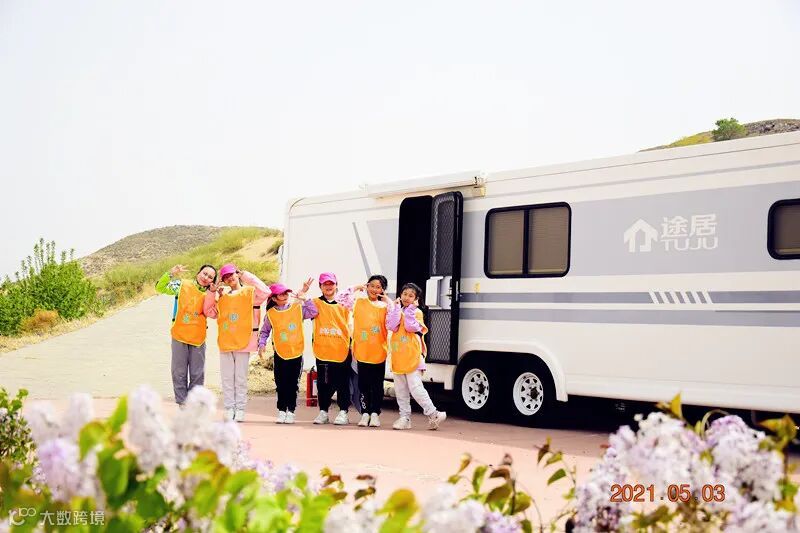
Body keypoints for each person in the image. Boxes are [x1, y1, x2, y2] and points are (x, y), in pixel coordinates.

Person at [205, 263, 270, 422]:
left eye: (232, 274)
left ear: (237, 274)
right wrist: (212, 293)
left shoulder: (250, 293)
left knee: (240, 378)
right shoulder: (222, 297)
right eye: (225, 277)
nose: (230, 278)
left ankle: (240, 409)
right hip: (226, 342)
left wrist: (245, 275)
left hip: (244, 341)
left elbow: (266, 292)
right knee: (227, 378)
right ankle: (229, 408)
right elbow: (209, 312)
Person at [155, 264, 218, 406]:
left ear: (212, 281)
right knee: (179, 372)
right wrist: (171, 273)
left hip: (198, 338)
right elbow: (160, 287)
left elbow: (214, 314)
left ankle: (194, 402)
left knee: (197, 373)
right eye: (204, 273)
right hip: (179, 335)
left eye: (210, 277)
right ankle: (182, 403)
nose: (206, 278)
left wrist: (214, 293)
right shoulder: (182, 285)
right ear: (198, 273)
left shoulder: (211, 294)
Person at [387, 282, 447, 430]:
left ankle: (433, 414)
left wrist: (411, 309)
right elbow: (392, 326)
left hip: (413, 356)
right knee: (400, 390)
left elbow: (410, 327)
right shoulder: (397, 310)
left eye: (411, 295)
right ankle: (404, 418)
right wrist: (396, 308)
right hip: (398, 357)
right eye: (404, 294)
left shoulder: (417, 312)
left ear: (416, 299)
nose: (406, 297)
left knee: (416, 388)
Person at [336, 275, 392, 428]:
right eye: (371, 286)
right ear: (367, 286)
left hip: (379, 352)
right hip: (362, 351)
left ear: (383, 290)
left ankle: (375, 414)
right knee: (363, 385)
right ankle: (365, 413)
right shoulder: (358, 302)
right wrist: (356, 287)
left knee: (377, 386)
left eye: (378, 287)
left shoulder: (385, 307)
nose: (374, 289)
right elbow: (340, 298)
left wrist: (388, 301)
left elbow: (394, 320)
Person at [257, 279, 315, 424]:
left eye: (286, 293)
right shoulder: (270, 314)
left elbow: (313, 312)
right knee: (281, 383)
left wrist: (305, 297)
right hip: (280, 353)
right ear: (274, 298)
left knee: (293, 384)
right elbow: (265, 331)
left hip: (296, 353)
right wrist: (262, 344)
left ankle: (291, 411)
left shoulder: (297, 308)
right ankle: (282, 410)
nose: (285, 296)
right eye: (281, 294)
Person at [307, 272, 353, 426]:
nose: (328, 287)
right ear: (320, 286)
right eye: (325, 284)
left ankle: (343, 412)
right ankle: (323, 412)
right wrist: (302, 294)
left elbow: (351, 324)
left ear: (336, 285)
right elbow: (302, 311)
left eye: (331, 284)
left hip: (341, 350)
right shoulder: (315, 303)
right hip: (323, 350)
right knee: (323, 383)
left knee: (342, 383)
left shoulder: (345, 304)